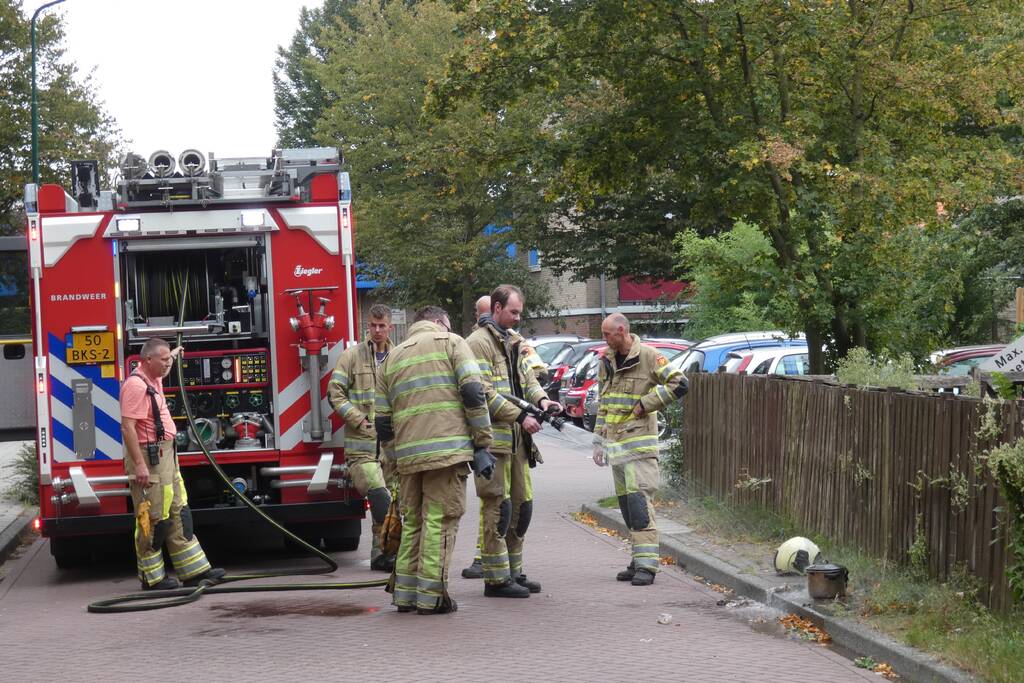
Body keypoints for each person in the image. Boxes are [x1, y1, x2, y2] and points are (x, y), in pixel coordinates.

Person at [374, 306, 494, 614]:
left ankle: (405, 595)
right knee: (440, 522)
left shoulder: (392, 358)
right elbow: (472, 393)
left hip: (407, 459)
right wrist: (482, 442)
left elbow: (383, 422)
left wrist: (395, 461)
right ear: (440, 322)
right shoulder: (452, 342)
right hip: (447, 455)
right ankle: (432, 598)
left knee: (412, 522)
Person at [466, 284, 563, 598]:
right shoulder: (477, 344)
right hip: (495, 442)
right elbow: (483, 392)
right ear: (496, 309)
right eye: (514, 312)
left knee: (522, 508)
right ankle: (495, 580)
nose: (518, 318)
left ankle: (514, 572)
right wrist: (520, 416)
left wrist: (545, 402)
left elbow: (528, 380)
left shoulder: (514, 341)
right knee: (499, 509)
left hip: (519, 442)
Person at [120, 337, 225, 590]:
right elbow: (128, 427)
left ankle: (194, 572)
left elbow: (166, 361)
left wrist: (174, 351)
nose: (168, 364)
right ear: (147, 360)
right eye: (163, 360)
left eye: (170, 359)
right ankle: (153, 579)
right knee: (153, 518)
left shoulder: (152, 378)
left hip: (167, 456)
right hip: (150, 458)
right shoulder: (135, 386)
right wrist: (140, 465)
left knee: (178, 510)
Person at [592, 313, 687, 586]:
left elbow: (680, 383)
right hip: (617, 449)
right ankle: (638, 560)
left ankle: (648, 566)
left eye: (608, 334)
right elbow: (604, 403)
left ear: (622, 331)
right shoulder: (606, 361)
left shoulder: (648, 356)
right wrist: (598, 441)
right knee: (627, 508)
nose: (605, 339)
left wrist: (646, 404)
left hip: (640, 449)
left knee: (639, 505)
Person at [327, 303, 396, 571]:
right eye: (373, 325)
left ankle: (383, 555)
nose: (377, 331)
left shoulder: (398, 356)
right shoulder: (351, 356)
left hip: (391, 447)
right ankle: (386, 554)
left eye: (382, 326)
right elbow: (335, 394)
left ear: (389, 327)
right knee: (379, 497)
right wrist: (359, 419)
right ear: (367, 325)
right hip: (362, 448)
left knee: (394, 503)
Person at [461, 293, 492, 580]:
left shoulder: (513, 342)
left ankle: (491, 559)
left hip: (502, 435)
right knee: (491, 500)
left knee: (499, 502)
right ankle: (486, 558)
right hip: (491, 435)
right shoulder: (471, 343)